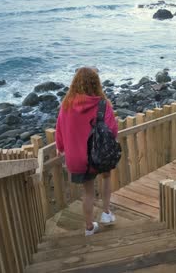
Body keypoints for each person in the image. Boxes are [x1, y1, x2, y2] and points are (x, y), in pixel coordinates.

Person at [55, 67, 119, 236]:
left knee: (88, 192)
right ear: (96, 83)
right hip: (99, 154)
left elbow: (59, 130)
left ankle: (89, 227)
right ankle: (106, 213)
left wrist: (61, 148)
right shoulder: (102, 104)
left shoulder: (66, 105)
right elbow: (112, 130)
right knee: (106, 177)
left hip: (77, 158)